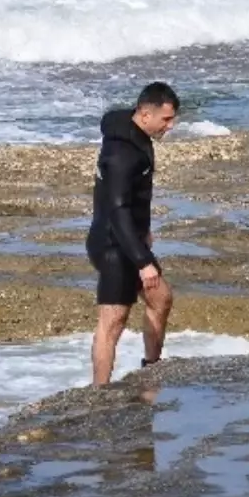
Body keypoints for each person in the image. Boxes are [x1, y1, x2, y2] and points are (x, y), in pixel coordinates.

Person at [86, 82, 180, 386]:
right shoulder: (122, 155)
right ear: (144, 113)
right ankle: (99, 391)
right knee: (113, 321)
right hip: (114, 245)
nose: (171, 125)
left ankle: (151, 368)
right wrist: (143, 261)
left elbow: (132, 200)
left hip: (130, 239)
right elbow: (118, 210)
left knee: (161, 299)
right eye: (166, 119)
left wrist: (145, 231)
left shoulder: (131, 129)